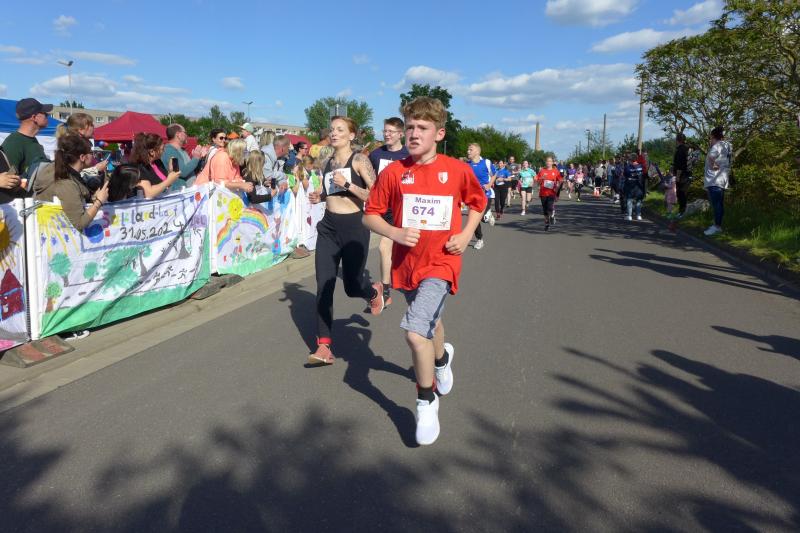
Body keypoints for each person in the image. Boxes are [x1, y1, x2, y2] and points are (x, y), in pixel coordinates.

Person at [363, 96, 485, 446]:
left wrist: (466, 234)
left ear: (439, 133)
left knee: (416, 333)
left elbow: (478, 203)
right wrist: (395, 232)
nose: (414, 134)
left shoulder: (456, 170)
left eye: (422, 128)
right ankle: (442, 359)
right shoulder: (394, 172)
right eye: (410, 127)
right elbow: (370, 215)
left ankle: (425, 399)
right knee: (430, 321)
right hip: (407, 265)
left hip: (442, 263)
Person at [306, 116, 383, 365]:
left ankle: (372, 292)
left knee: (352, 286)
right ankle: (324, 346)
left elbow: (376, 196)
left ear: (351, 135)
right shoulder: (327, 162)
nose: (334, 133)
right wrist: (320, 196)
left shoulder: (359, 160)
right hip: (328, 228)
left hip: (354, 229)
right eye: (332, 129)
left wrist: (348, 184)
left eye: (340, 130)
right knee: (324, 284)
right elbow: (333, 192)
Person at [369, 117, 410, 307]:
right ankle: (386, 291)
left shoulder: (408, 154)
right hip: (385, 209)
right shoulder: (376, 155)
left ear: (400, 134)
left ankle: (403, 282)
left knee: (399, 248)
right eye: (385, 131)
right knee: (385, 248)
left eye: (390, 131)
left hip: (405, 208)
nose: (386, 134)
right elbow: (368, 179)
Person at [38, 133, 109, 230]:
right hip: (57, 233)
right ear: (82, 157)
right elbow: (80, 223)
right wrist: (99, 202)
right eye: (91, 153)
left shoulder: (63, 172)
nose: (93, 156)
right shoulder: (65, 183)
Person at [125, 133, 183, 199]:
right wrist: (169, 180)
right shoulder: (139, 166)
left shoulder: (157, 162)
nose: (164, 151)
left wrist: (171, 172)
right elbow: (149, 193)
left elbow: (165, 184)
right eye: (162, 149)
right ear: (152, 152)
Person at [465, 143, 494, 250]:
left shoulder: (486, 162)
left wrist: (489, 184)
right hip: (473, 196)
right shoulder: (467, 165)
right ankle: (480, 239)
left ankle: (488, 215)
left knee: (481, 218)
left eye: (470, 149)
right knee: (473, 220)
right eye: (468, 149)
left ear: (477, 151)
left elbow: (494, 174)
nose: (468, 151)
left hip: (486, 194)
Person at [703, 126, 731, 236]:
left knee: (716, 205)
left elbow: (711, 157)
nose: (710, 140)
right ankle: (717, 224)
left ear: (713, 136)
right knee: (719, 204)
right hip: (722, 179)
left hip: (714, 179)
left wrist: (713, 164)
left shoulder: (717, 145)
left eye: (710, 138)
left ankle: (717, 227)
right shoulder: (727, 145)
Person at [163, 123, 205, 187]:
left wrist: (200, 158)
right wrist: (196, 158)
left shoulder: (181, 150)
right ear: (178, 134)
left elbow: (191, 171)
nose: (186, 135)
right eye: (185, 132)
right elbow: (182, 172)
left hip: (189, 189)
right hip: (179, 191)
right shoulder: (169, 151)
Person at [535, 156, 562, 231]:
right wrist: (541, 178)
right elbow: (538, 183)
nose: (548, 163)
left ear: (552, 162)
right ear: (545, 162)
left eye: (550, 161)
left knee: (550, 207)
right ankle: (547, 223)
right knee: (545, 210)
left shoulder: (555, 171)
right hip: (543, 193)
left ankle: (552, 215)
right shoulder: (542, 171)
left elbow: (560, 180)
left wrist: (557, 187)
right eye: (547, 161)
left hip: (551, 193)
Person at [623, 153, 646, 221]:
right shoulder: (641, 166)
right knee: (639, 200)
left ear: (630, 159)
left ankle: (629, 216)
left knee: (629, 199)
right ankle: (638, 215)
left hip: (630, 185)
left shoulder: (627, 167)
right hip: (639, 186)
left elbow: (625, 175)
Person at [673, 133, 691, 217]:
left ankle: (682, 212)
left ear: (677, 140)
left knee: (681, 193)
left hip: (682, 176)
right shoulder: (688, 148)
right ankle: (683, 211)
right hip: (688, 174)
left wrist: (677, 176)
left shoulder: (680, 150)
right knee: (684, 193)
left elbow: (680, 165)